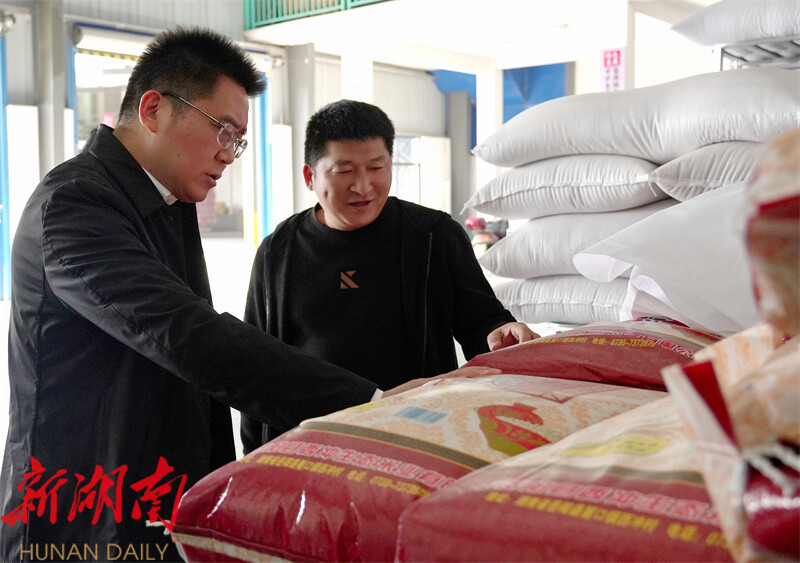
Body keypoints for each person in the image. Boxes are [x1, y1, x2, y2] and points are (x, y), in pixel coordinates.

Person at [0, 28, 493, 562]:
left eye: (239, 139)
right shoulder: (76, 206)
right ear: (153, 109)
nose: (231, 153)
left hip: (152, 492)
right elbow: (185, 335)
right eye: (223, 130)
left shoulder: (167, 200)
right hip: (80, 507)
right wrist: (373, 404)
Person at [241, 99, 538, 453]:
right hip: (313, 441)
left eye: (376, 167)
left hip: (419, 434)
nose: (363, 186)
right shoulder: (278, 251)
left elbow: (482, 322)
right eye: (345, 171)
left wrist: (500, 333)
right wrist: (253, 454)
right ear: (310, 177)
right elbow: (257, 362)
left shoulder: (433, 236)